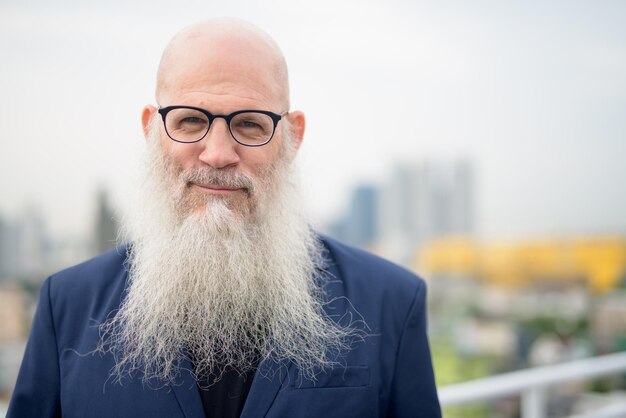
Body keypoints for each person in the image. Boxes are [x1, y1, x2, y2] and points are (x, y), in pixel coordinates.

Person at [7, 18, 441, 418]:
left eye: (250, 125)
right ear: (151, 131)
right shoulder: (65, 305)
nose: (217, 153)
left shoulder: (391, 304)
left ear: (293, 136)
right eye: (191, 120)